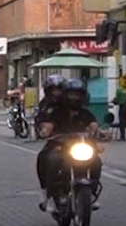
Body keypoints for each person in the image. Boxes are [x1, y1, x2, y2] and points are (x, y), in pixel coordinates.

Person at [34, 78, 105, 210]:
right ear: (65, 95)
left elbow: (94, 125)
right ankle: (48, 195)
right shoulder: (55, 112)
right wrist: (45, 130)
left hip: (80, 146)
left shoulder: (85, 113)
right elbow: (47, 125)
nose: (75, 98)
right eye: (72, 94)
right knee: (48, 158)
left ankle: (91, 194)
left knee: (96, 161)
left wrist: (100, 132)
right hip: (59, 146)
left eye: (78, 94)